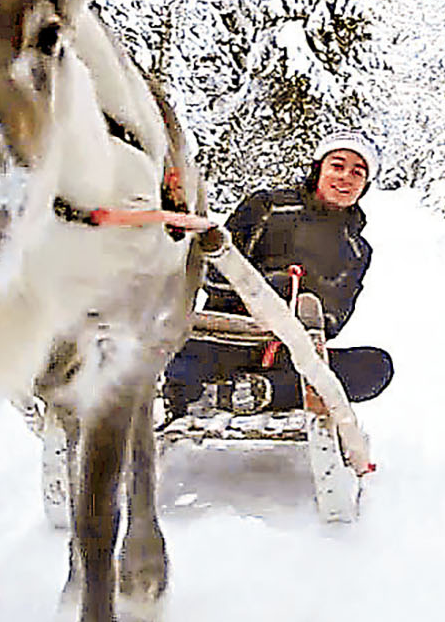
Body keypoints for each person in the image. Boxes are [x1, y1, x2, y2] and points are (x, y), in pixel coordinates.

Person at [164, 131, 395, 416]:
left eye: (357, 172)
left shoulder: (357, 250)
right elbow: (213, 273)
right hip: (226, 336)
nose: (346, 177)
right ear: (319, 168)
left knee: (374, 368)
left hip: (290, 354)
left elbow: (335, 321)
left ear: (365, 185)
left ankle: (262, 391)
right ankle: (201, 392)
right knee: (179, 370)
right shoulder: (268, 207)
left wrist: (306, 310)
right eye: (337, 165)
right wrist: (265, 290)